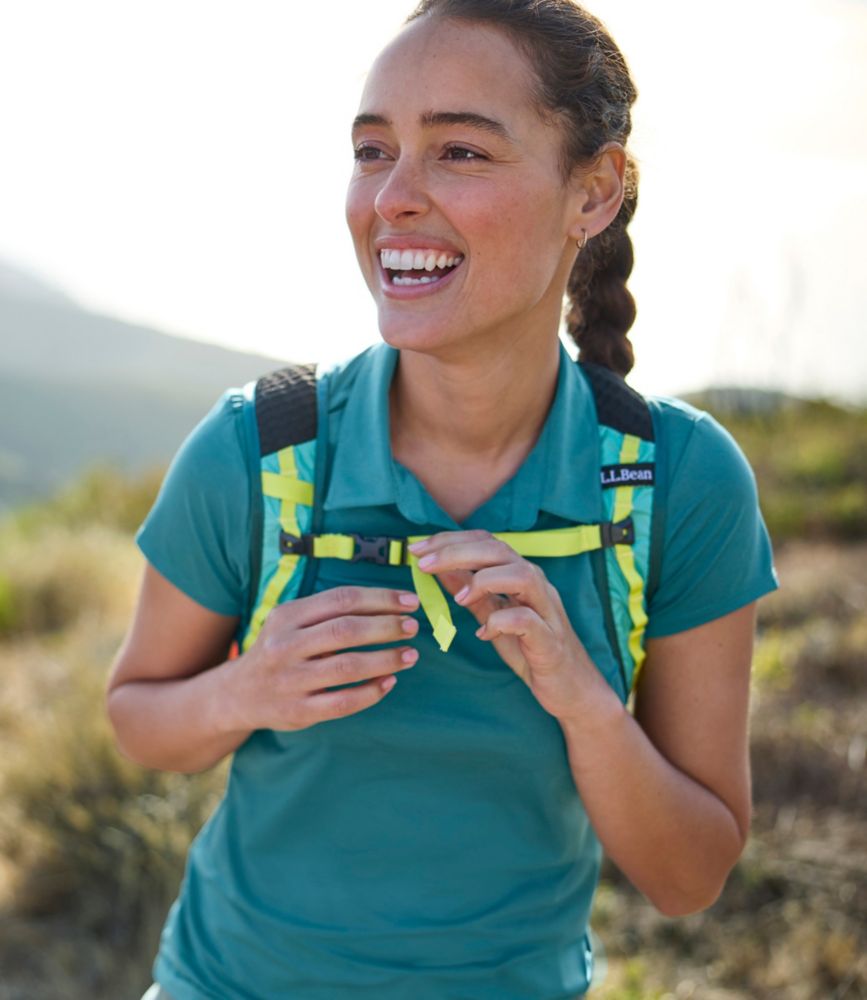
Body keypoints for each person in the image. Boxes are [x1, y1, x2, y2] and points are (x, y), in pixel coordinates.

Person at [107, 1, 778, 998]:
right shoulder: (257, 449)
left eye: (458, 151)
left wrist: (581, 697)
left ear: (594, 191)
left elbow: (689, 876)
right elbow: (136, 717)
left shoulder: (678, 481)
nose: (393, 198)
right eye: (372, 150)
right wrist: (246, 690)